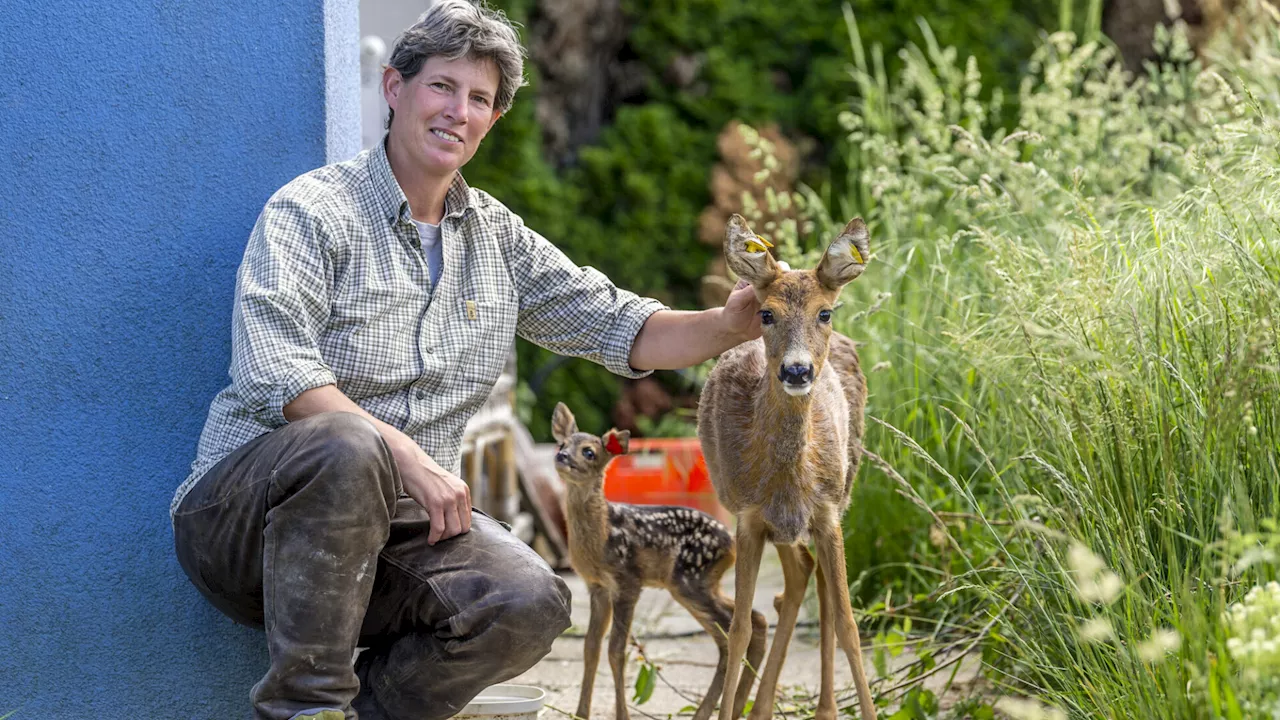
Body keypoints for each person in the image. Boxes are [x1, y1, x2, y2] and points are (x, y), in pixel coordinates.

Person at [171, 2, 762, 719]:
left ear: (493, 120)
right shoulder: (311, 212)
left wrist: (730, 325)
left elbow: (620, 325)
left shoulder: (497, 242)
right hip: (246, 527)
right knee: (350, 443)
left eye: (479, 99)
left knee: (530, 600)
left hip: (395, 537)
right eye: (442, 87)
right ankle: (304, 708)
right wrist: (409, 459)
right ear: (394, 88)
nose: (458, 110)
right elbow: (279, 368)